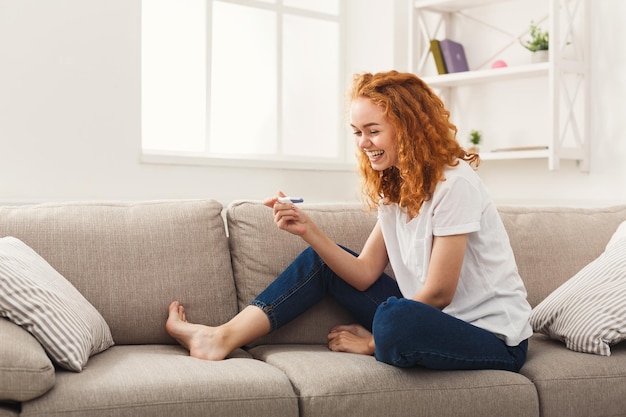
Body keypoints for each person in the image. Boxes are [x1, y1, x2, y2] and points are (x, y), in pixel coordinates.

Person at [166, 70, 533, 371]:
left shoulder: (456, 185)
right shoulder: (396, 188)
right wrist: (308, 229)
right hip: (428, 318)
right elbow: (364, 273)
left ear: (409, 129)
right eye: (358, 132)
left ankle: (383, 337)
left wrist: (371, 340)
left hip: (492, 338)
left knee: (397, 317)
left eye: (373, 131)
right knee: (321, 262)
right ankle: (220, 338)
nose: (363, 143)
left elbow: (439, 293)